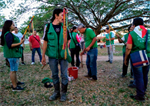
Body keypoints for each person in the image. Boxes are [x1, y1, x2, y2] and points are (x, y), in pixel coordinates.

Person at [42, 8, 71, 102]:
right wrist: (43, 56)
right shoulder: (48, 26)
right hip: (52, 56)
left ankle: (63, 93)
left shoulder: (65, 27)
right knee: (54, 75)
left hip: (63, 56)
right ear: (56, 15)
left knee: (64, 75)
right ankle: (56, 92)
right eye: (62, 15)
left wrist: (66, 47)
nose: (64, 17)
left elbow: (69, 39)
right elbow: (45, 42)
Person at [125, 17, 150, 101]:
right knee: (145, 74)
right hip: (148, 56)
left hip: (137, 56)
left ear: (134, 25)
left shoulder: (132, 34)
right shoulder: (149, 32)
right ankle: (144, 89)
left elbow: (128, 48)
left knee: (138, 76)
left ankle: (140, 96)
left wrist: (126, 59)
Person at [1, 20, 25, 91]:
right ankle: (14, 87)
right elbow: (10, 45)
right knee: (13, 70)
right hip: (12, 55)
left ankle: (16, 82)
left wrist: (20, 41)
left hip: (13, 55)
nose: (14, 26)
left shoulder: (9, 34)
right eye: (13, 25)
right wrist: (20, 43)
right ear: (9, 26)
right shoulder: (8, 34)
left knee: (14, 70)